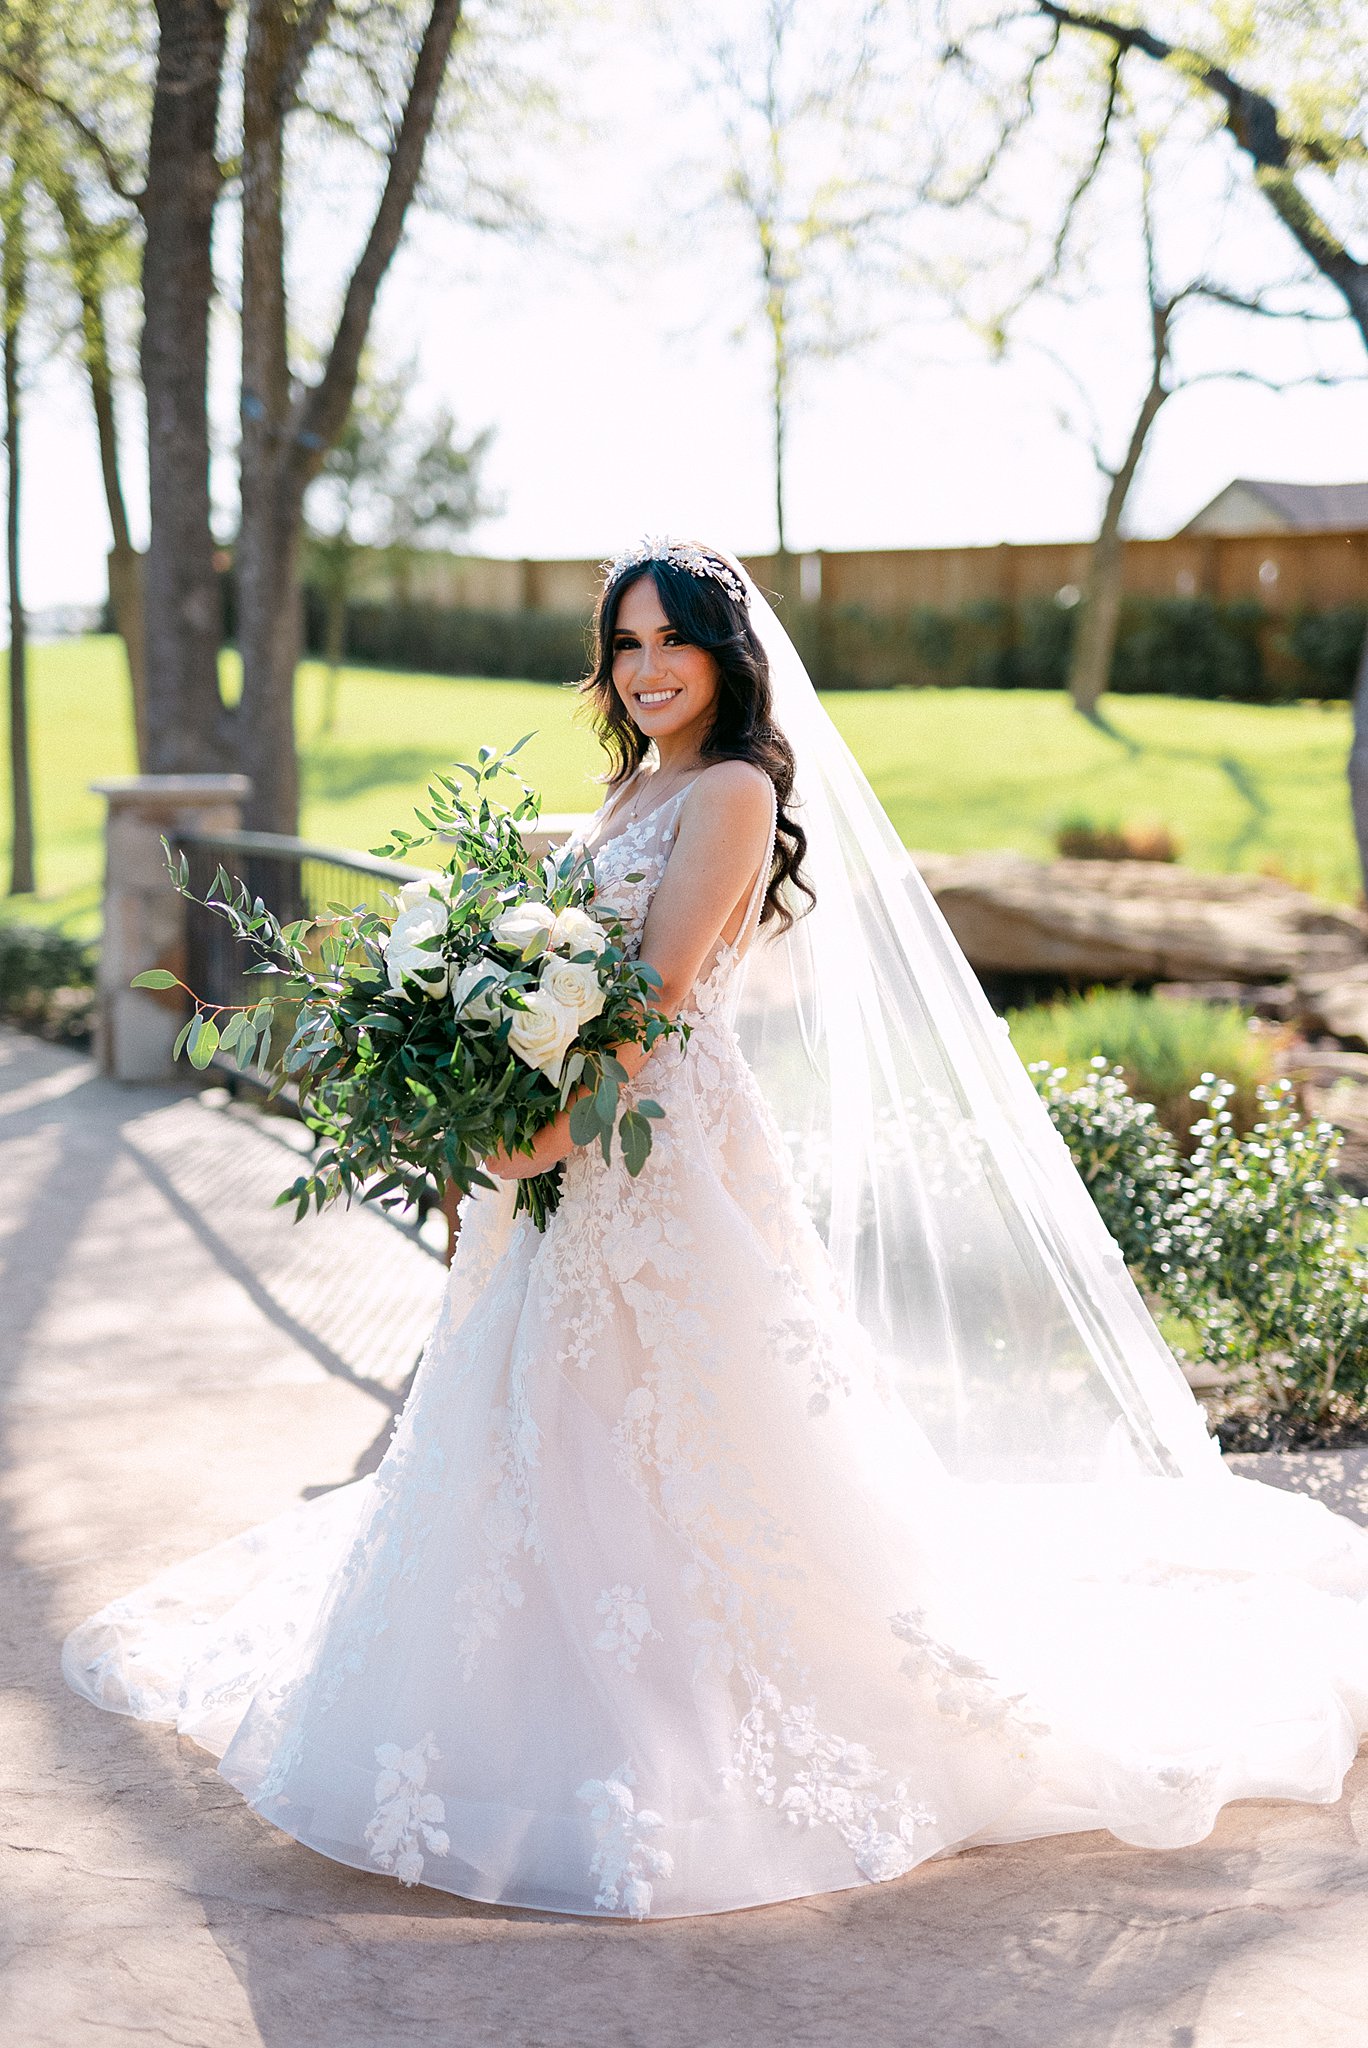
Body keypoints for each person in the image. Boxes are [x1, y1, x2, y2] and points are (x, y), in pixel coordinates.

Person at [64, 540, 1368, 1921]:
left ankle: (672, 1725)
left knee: (671, 1421)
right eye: (623, 645)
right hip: (562, 1144)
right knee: (538, 1414)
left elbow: (649, 996)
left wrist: (536, 1134)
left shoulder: (737, 790)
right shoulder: (635, 782)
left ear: (726, 654)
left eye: (670, 641)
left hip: (650, 1145)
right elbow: (556, 968)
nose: (644, 670)